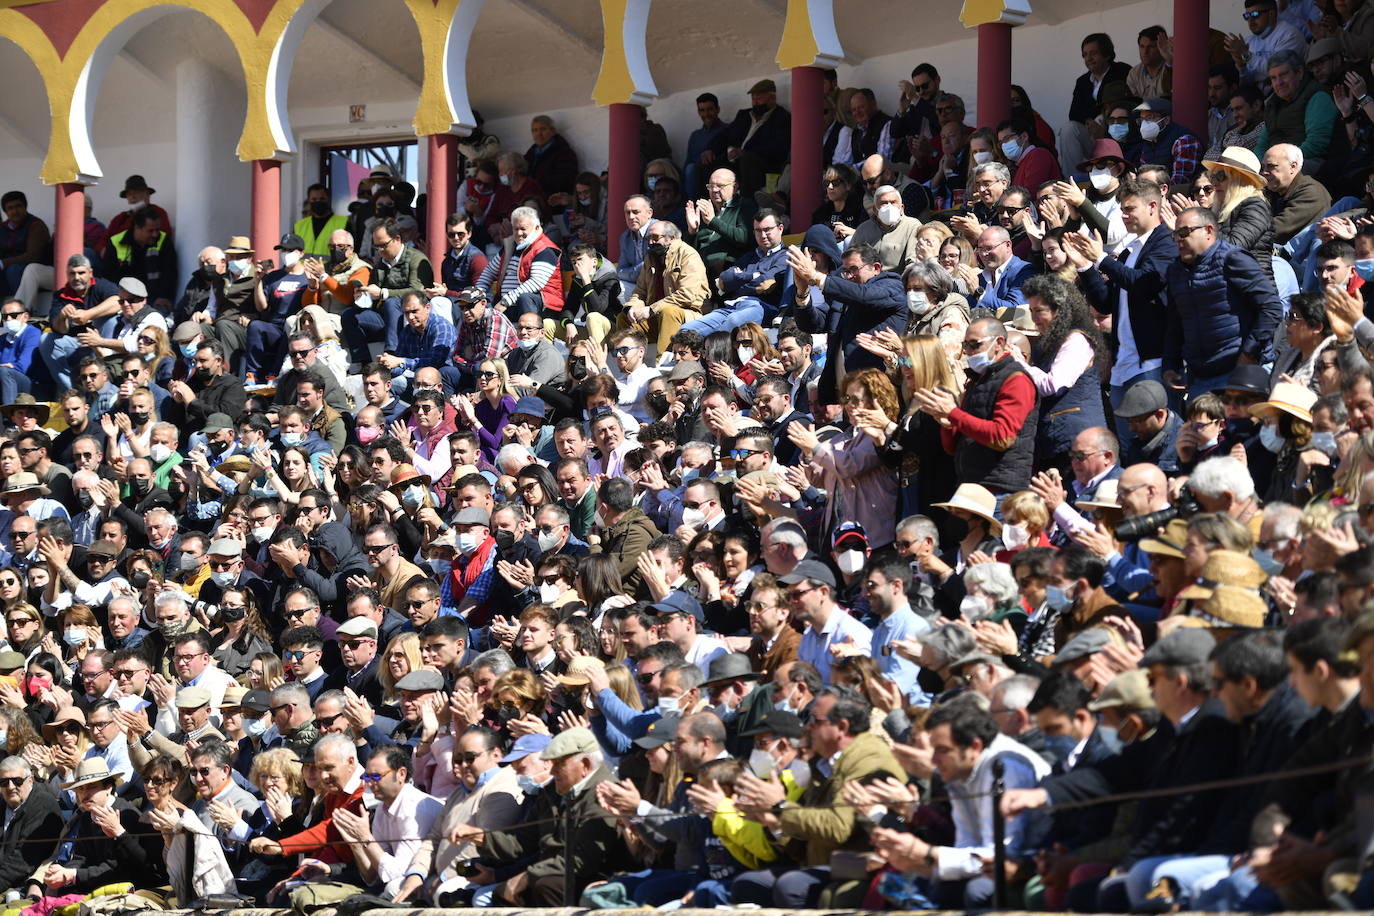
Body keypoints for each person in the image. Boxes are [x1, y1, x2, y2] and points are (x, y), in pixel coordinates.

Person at [1164, 207, 1283, 400]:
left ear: (1208, 231)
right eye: (1175, 234)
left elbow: (1270, 307)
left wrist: (1249, 352)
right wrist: (1170, 364)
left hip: (1239, 372)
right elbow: (1175, 323)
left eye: (1184, 232)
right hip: (1199, 377)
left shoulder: (1232, 258)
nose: (1178, 239)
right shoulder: (1175, 271)